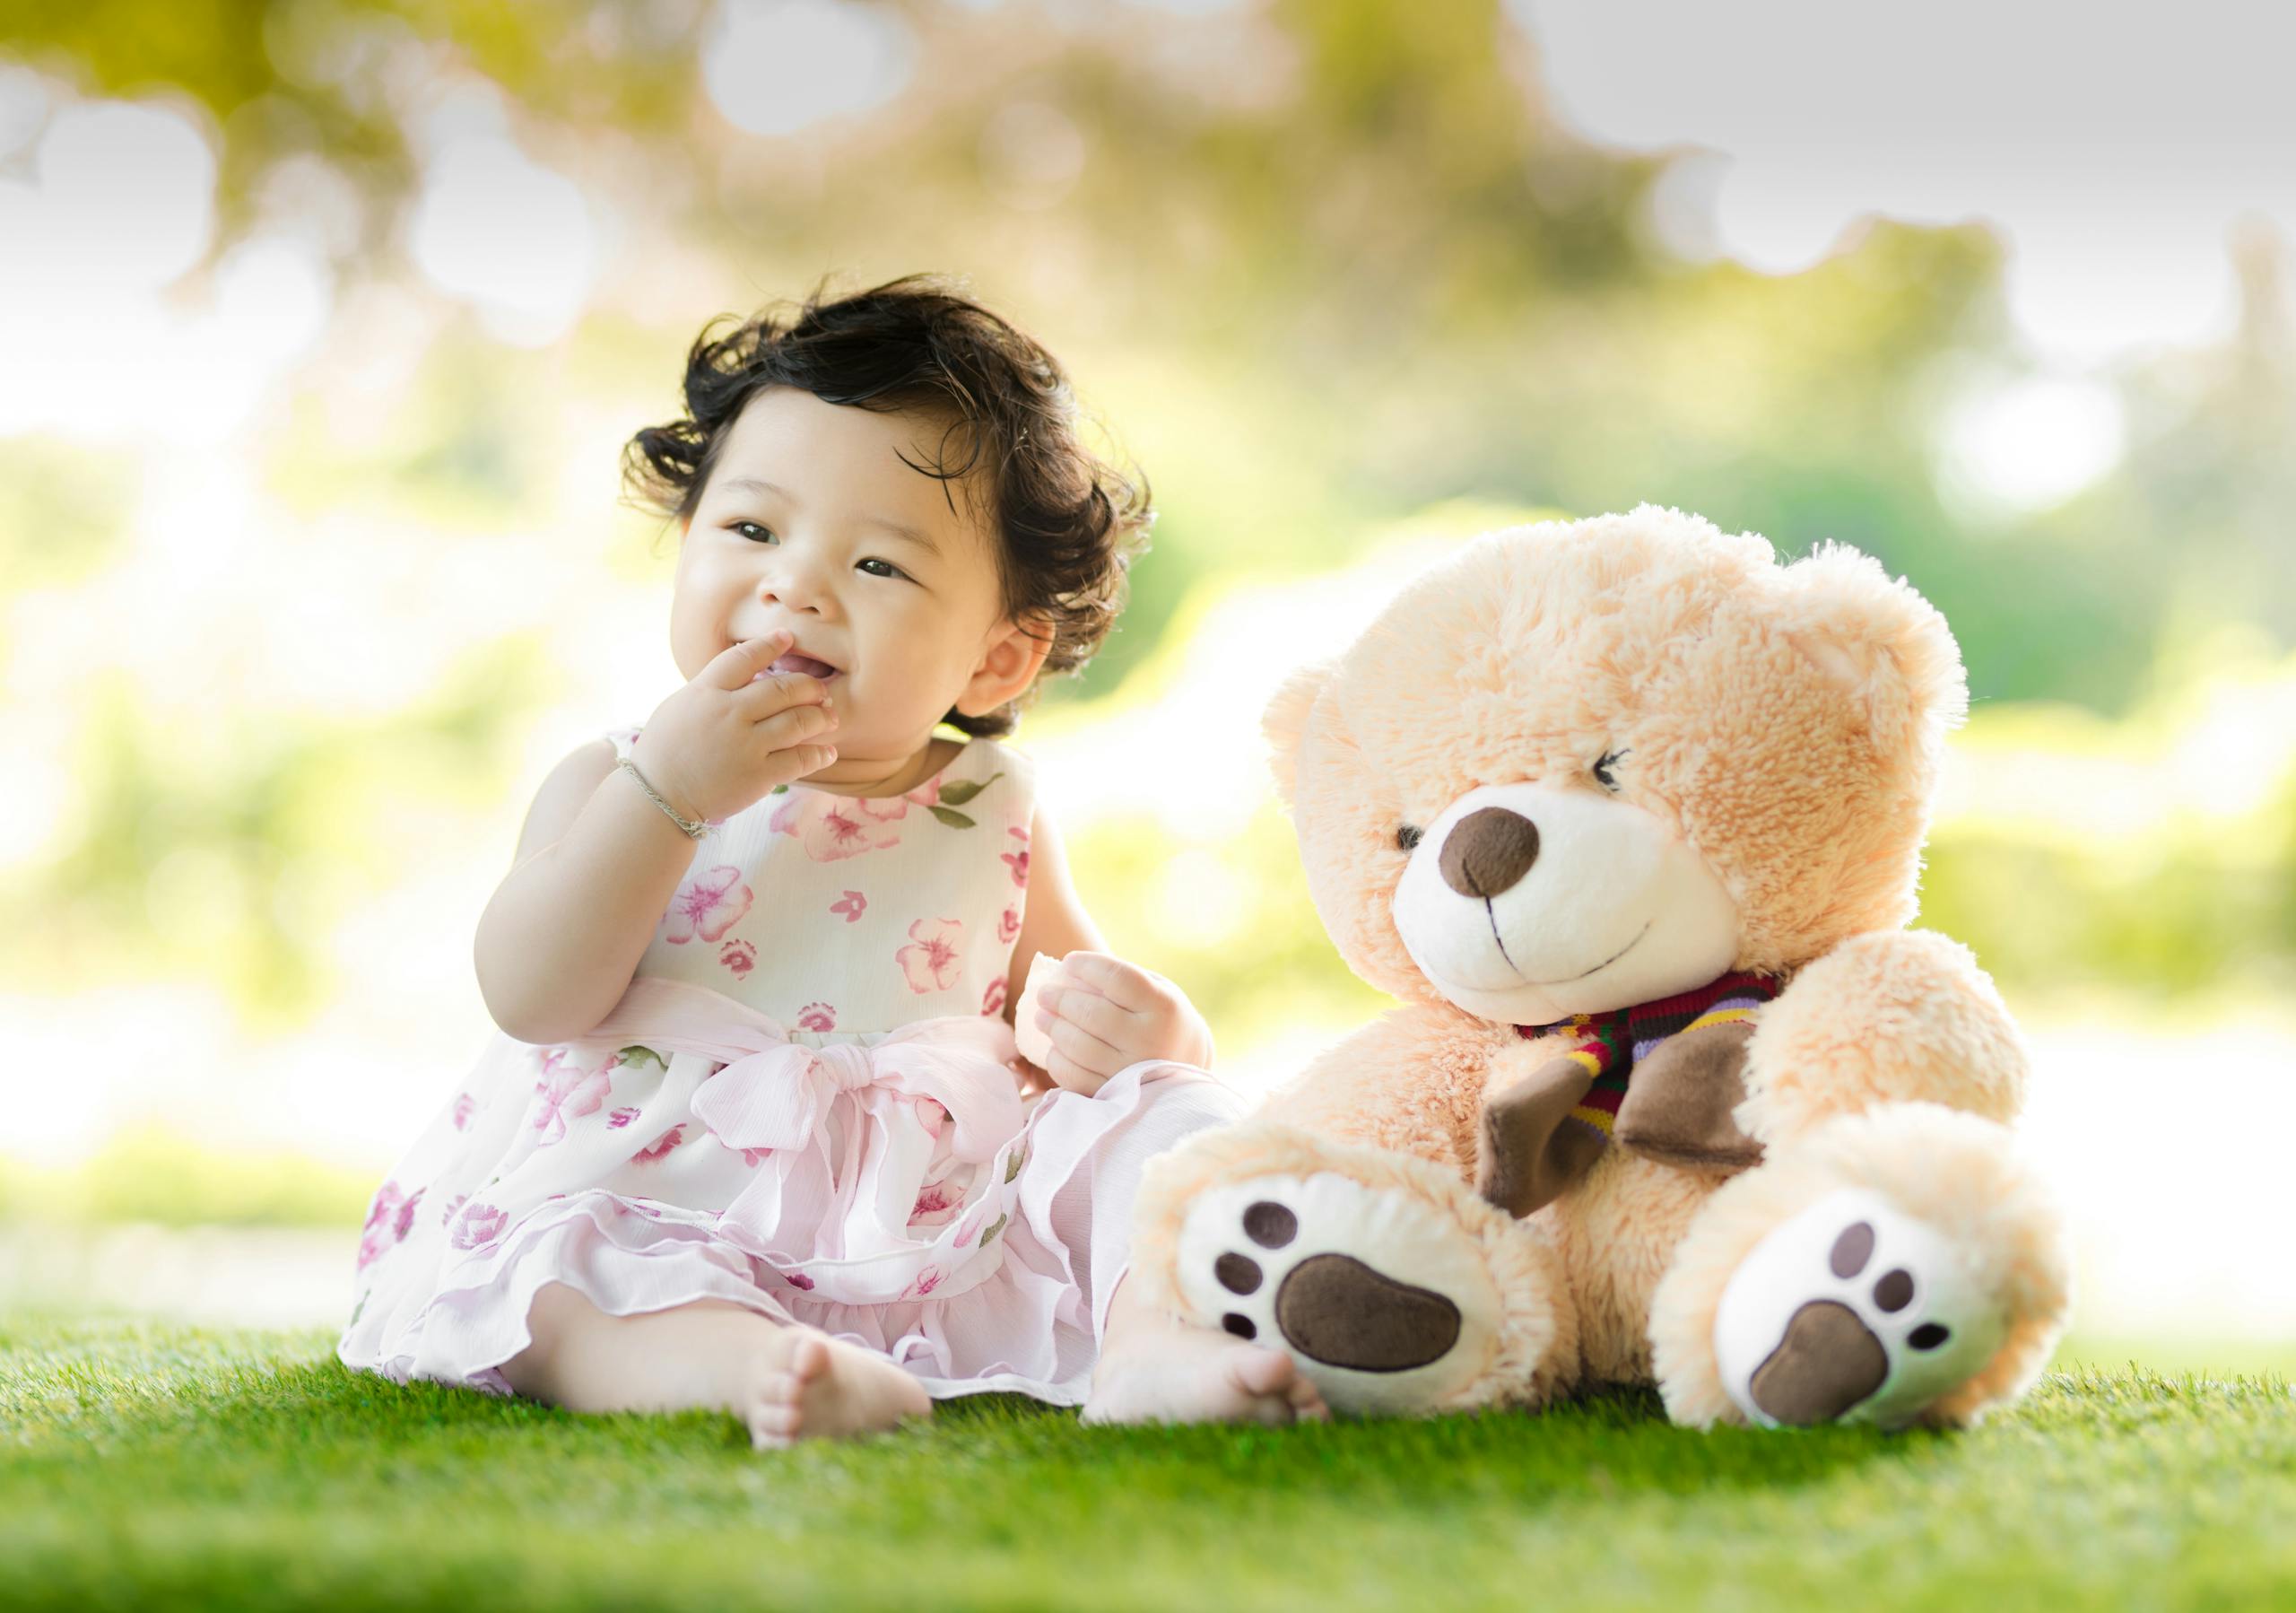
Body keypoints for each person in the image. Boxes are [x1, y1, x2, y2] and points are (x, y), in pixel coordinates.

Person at [336, 276, 1326, 1443]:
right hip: (670, 1197)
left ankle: (1156, 1344)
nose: (793, 584)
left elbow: (1071, 1034)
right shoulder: (617, 781)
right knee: (558, 1275)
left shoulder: (990, 804)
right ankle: (759, 1364)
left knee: (1167, 1121)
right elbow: (532, 996)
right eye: (752, 530)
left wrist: (1154, 1042)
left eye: (879, 567)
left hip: (930, 1218)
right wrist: (669, 795)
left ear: (997, 663)